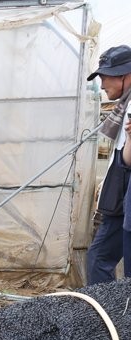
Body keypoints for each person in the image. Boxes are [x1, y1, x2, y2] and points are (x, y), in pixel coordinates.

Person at [87, 45, 131, 285]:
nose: (102, 84)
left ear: (125, 74)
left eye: (105, 76)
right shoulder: (124, 104)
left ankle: (103, 316)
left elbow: (127, 159)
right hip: (120, 187)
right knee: (100, 256)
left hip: (125, 189)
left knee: (99, 257)